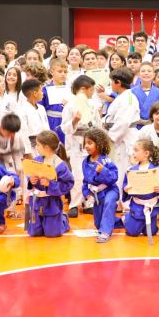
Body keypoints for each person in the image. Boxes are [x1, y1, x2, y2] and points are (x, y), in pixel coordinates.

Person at [60, 74, 102, 217]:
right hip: (77, 144)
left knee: (91, 175)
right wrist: (74, 121)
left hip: (91, 143)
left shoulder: (93, 105)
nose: (92, 93)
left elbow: (98, 125)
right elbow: (65, 128)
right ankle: (74, 205)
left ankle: (88, 202)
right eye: (91, 90)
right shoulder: (70, 106)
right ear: (84, 89)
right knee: (78, 175)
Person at [25, 131, 74, 238]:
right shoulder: (37, 160)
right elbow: (30, 174)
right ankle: (45, 222)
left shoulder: (60, 165)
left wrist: (50, 184)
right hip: (37, 202)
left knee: (52, 234)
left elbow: (69, 183)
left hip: (52, 202)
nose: (36, 147)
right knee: (34, 233)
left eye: (38, 145)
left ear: (46, 147)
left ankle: (63, 219)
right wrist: (31, 180)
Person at [82, 128, 122, 243]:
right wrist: (87, 194)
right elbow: (86, 181)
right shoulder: (85, 162)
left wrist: (103, 171)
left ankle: (105, 232)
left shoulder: (106, 161)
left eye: (90, 143)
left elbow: (114, 177)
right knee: (98, 223)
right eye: (85, 143)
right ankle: (123, 221)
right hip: (97, 195)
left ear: (99, 144)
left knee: (109, 202)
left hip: (110, 190)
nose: (86, 146)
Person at [122, 138, 159, 238]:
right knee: (132, 233)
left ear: (146, 153)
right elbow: (125, 186)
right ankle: (128, 218)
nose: (134, 153)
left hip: (152, 206)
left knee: (151, 232)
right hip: (137, 206)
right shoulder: (131, 170)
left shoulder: (156, 169)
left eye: (136, 150)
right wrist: (126, 189)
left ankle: (145, 223)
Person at [104, 68, 141, 184]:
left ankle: (123, 200)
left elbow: (124, 122)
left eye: (112, 81)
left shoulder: (128, 98)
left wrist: (110, 137)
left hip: (125, 138)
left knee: (123, 170)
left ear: (118, 82)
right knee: (118, 169)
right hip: (120, 136)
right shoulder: (122, 97)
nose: (111, 84)